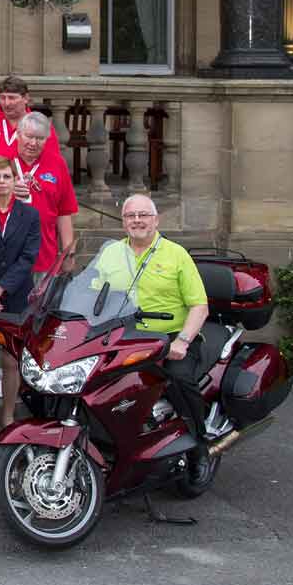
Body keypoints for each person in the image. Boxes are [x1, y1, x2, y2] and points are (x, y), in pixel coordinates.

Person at [91, 194, 212, 460]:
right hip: (124, 337)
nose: (137, 220)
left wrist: (182, 341)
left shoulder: (176, 254)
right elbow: (92, 297)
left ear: (156, 220)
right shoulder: (110, 253)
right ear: (123, 222)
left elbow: (199, 306)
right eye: (131, 216)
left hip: (169, 338)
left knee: (179, 379)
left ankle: (199, 444)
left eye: (143, 214)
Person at [0, 156, 41, 430]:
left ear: (16, 181)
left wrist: (1, 289)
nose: (2, 182)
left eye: (7, 177)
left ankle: (9, 416)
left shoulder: (30, 215)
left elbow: (28, 258)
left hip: (15, 294)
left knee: (11, 359)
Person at [0, 111, 76, 283]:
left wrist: (68, 252)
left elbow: (64, 211)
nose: (33, 143)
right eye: (28, 136)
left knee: (42, 308)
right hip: (5, 258)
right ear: (18, 134)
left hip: (44, 255)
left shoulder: (57, 164)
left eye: (40, 138)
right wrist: (4, 190)